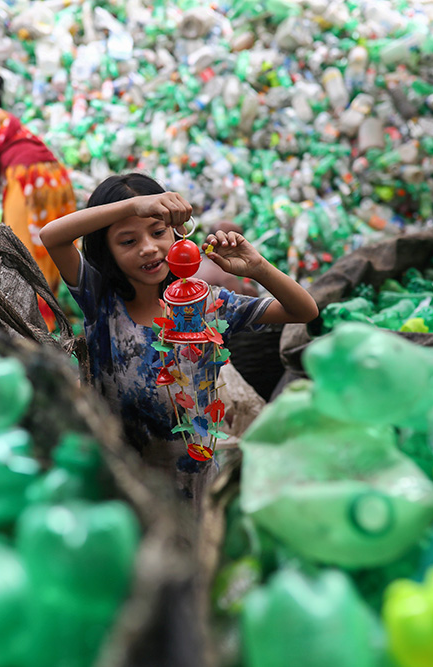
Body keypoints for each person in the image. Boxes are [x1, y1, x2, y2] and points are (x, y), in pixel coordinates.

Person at [40, 173, 318, 503]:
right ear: (107, 251)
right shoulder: (100, 299)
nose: (148, 248)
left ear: (175, 232)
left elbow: (304, 311)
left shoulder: (207, 305)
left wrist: (258, 268)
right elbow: (51, 236)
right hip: (121, 476)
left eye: (158, 232)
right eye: (128, 241)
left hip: (192, 480)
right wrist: (134, 205)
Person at [0, 75, 76, 324]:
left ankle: (35, 324)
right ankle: (56, 315)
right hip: (54, 177)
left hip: (27, 179)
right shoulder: (5, 118)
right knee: (52, 246)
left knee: (21, 250)